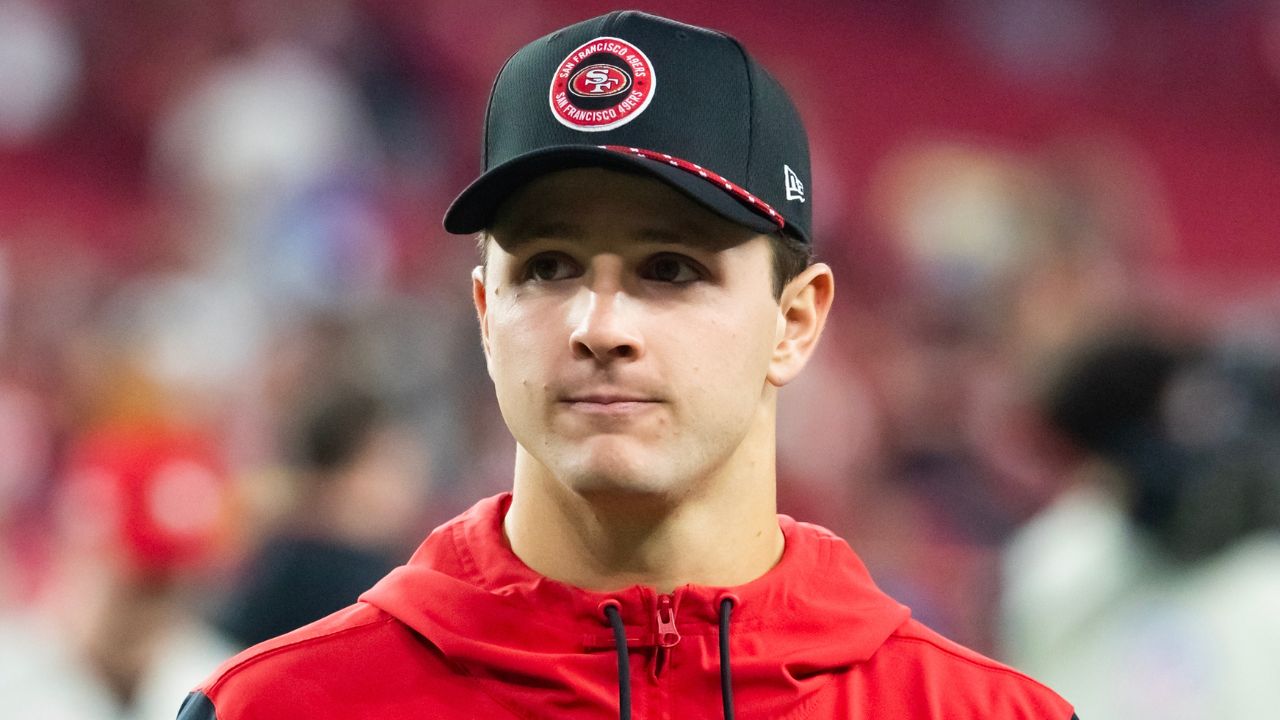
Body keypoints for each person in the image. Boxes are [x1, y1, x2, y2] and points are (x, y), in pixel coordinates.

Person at [177, 11, 1076, 719]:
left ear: (796, 322)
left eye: (671, 270)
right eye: (548, 267)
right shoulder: (278, 708)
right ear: (487, 315)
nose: (599, 325)